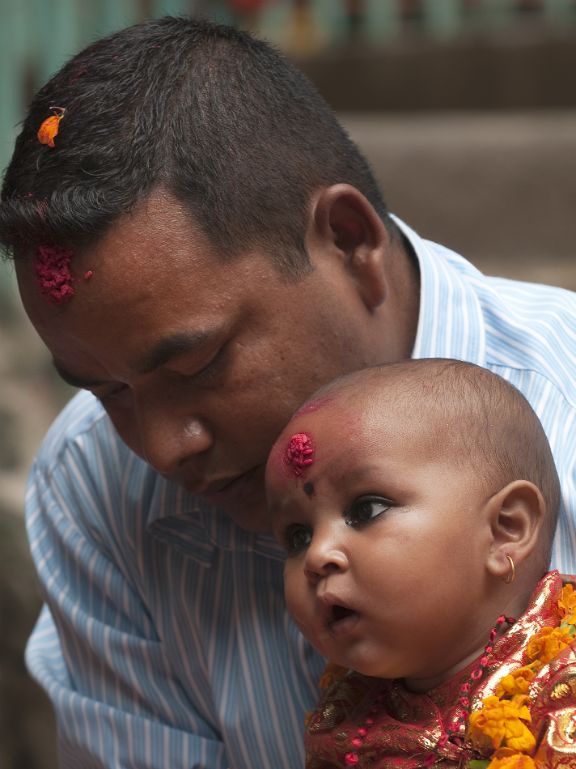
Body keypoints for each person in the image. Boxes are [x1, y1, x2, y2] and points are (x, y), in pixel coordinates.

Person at [0, 15, 574, 769]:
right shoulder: (96, 480)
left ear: (348, 240)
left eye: (198, 364)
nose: (165, 448)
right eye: (110, 391)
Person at [265, 359, 575, 768]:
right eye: (298, 537)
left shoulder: (560, 692)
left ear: (506, 530)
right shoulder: (347, 710)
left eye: (367, 509)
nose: (318, 555)